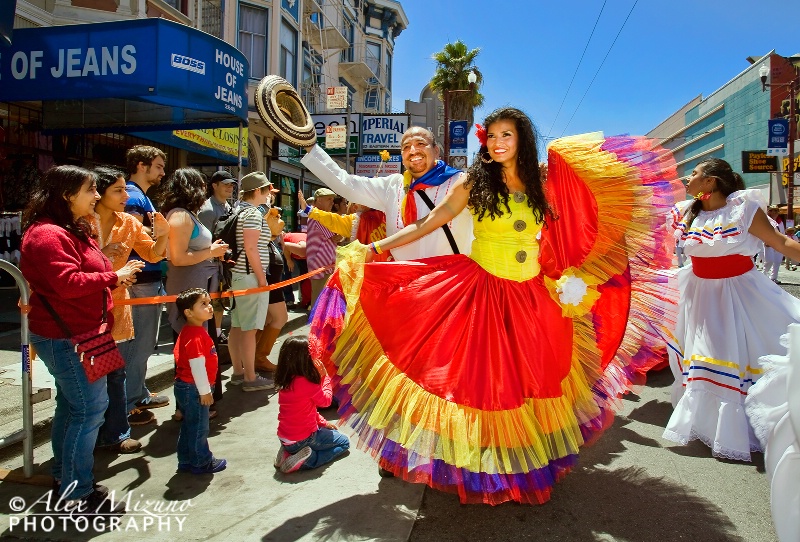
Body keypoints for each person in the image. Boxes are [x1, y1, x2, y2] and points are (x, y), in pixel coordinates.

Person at [307, 108, 682, 505]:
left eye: (508, 135)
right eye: (493, 136)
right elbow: (429, 222)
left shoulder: (541, 181)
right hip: (480, 293)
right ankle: (471, 461)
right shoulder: (472, 182)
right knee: (481, 382)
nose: (499, 143)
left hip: (533, 298)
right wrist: (376, 247)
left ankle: (519, 463)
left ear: (522, 139)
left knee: (532, 380)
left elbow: (578, 216)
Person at [21, 165, 144, 509]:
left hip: (89, 333)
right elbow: (67, 283)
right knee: (90, 410)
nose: (95, 195)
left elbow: (91, 271)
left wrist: (114, 276)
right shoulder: (46, 234)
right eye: (90, 190)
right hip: (67, 336)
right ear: (66, 195)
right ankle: (77, 492)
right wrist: (113, 277)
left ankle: (65, 475)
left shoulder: (70, 229)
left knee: (74, 406)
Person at [663, 158, 800, 461]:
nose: (689, 178)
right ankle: (710, 427)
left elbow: (779, 241)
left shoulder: (744, 209)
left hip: (737, 294)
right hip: (697, 295)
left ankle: (746, 428)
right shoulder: (686, 212)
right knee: (706, 359)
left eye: (695, 174)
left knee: (736, 355)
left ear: (711, 182)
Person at [300, 127, 472, 262]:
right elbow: (347, 184)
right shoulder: (393, 185)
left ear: (436, 150)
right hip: (404, 286)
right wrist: (310, 147)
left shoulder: (461, 183)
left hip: (451, 287)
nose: (413, 150)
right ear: (402, 156)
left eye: (420, 143)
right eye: (406, 147)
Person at [91, 167, 170, 453]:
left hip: (118, 312)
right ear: (97, 194)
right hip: (85, 313)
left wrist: (163, 235)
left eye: (125, 189)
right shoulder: (80, 223)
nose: (126, 195)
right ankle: (89, 438)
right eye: (119, 190)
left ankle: (116, 433)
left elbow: (153, 254)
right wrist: (105, 255)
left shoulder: (128, 222)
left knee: (116, 374)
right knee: (89, 382)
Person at [159, 168, 229, 417]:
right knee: (193, 352)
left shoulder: (188, 215)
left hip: (198, 292)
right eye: (201, 183)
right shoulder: (180, 216)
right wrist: (210, 253)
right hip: (188, 294)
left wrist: (211, 250)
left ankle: (190, 405)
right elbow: (177, 258)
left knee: (199, 350)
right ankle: (192, 405)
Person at [121, 145, 170, 426]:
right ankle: (130, 403)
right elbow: (132, 241)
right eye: (159, 166)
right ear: (142, 165)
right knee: (138, 343)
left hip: (146, 278)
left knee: (144, 342)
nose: (163, 172)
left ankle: (136, 393)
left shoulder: (140, 198)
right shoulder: (134, 199)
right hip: (139, 280)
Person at [226, 171, 277, 391]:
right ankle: (250, 378)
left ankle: (239, 372)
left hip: (238, 276)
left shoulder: (238, 211)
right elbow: (251, 247)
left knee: (238, 326)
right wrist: (262, 277)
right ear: (258, 191)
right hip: (249, 277)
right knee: (249, 329)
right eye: (267, 191)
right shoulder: (253, 215)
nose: (269, 196)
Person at [273, 336, 350, 473]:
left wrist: (323, 423)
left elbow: (307, 409)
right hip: (304, 439)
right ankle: (306, 460)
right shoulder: (306, 383)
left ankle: (287, 453)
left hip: (285, 438)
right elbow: (326, 401)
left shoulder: (286, 380)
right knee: (344, 442)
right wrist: (325, 377)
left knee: (329, 434)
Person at [174, 288, 227, 474]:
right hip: (194, 388)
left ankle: (186, 459)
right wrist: (205, 391)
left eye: (209, 302)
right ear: (188, 312)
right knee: (199, 427)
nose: (209, 307)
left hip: (187, 386)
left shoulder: (192, 331)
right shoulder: (195, 335)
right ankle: (202, 461)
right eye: (203, 304)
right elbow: (197, 365)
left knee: (190, 425)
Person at [197, 170, 236, 342]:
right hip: (209, 264)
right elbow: (203, 239)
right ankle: (210, 335)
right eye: (225, 184)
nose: (230, 187)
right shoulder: (207, 210)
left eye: (232, 184)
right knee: (211, 300)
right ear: (214, 185)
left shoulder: (228, 206)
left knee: (220, 300)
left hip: (224, 263)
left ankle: (218, 332)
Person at [253, 205, 290, 373]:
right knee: (280, 318)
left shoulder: (269, 240)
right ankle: (259, 357)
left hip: (271, 282)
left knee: (267, 320)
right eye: (274, 217)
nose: (279, 220)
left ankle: (255, 356)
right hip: (267, 282)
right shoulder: (261, 238)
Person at [305, 187, 341, 308]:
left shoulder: (320, 215)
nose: (332, 202)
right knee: (320, 305)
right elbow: (335, 236)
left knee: (324, 303)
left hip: (325, 267)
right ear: (319, 200)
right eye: (329, 199)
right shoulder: (318, 216)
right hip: (320, 267)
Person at [762, 205, 785, 283]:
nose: (774, 212)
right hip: (769, 242)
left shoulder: (780, 222)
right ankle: (764, 275)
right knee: (769, 260)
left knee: (778, 261)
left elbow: (782, 232)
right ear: (769, 211)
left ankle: (773, 278)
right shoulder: (765, 219)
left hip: (779, 243)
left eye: (776, 211)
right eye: (772, 210)